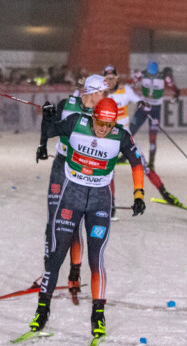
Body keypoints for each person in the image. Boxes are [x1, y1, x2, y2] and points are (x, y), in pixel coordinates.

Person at [29, 97, 146, 345]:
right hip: (71, 196)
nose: (103, 129)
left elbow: (137, 162)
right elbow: (49, 131)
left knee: (96, 259)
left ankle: (98, 315)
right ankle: (41, 312)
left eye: (108, 124)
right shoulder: (74, 123)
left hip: (100, 202)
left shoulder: (121, 135)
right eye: (100, 123)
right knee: (56, 254)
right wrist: (48, 116)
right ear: (93, 117)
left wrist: (138, 194)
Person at [36, 74, 109, 303]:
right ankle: (51, 268)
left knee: (75, 221)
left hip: (82, 172)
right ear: (92, 92)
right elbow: (49, 127)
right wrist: (42, 141)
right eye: (102, 93)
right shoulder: (66, 105)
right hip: (62, 164)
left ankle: (74, 272)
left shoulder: (101, 113)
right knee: (55, 219)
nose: (105, 97)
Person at [104, 64, 182, 210]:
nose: (110, 81)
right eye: (107, 78)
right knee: (108, 172)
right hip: (109, 140)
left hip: (126, 139)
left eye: (112, 77)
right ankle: (111, 204)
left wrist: (143, 105)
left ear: (116, 77)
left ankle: (165, 193)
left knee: (143, 167)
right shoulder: (100, 93)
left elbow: (137, 99)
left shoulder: (125, 89)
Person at [129, 61, 180, 171]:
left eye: (154, 75)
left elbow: (175, 89)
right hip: (144, 107)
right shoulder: (142, 74)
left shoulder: (163, 77)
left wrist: (176, 96)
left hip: (155, 109)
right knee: (130, 131)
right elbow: (130, 83)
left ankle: (151, 162)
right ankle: (124, 156)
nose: (152, 78)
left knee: (152, 136)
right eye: (150, 75)